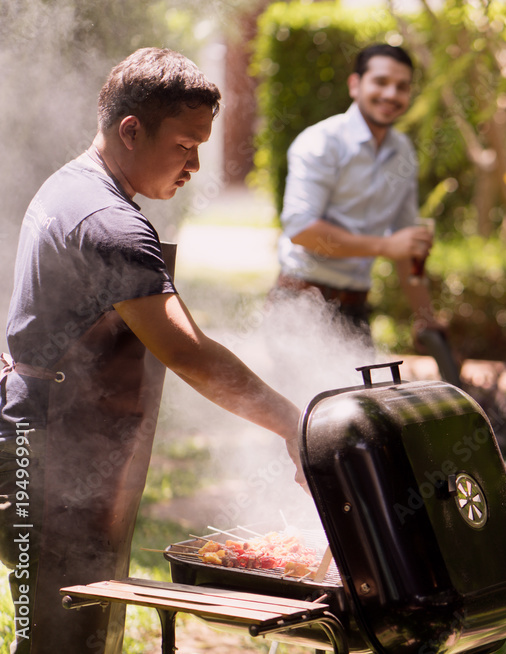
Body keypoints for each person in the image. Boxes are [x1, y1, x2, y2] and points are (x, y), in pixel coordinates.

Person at [0, 48, 303, 654]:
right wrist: (295, 424)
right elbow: (192, 355)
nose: (194, 164)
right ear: (131, 130)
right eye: (185, 145)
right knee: (66, 631)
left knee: (67, 624)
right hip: (51, 448)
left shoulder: (74, 185)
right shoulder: (109, 222)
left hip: (45, 433)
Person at [273, 43, 443, 344]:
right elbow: (302, 230)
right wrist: (385, 245)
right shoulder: (321, 142)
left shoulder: (404, 153)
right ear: (355, 85)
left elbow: (406, 246)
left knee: (362, 393)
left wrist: (427, 318)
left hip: (356, 311)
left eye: (402, 87)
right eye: (380, 82)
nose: (391, 94)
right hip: (301, 305)